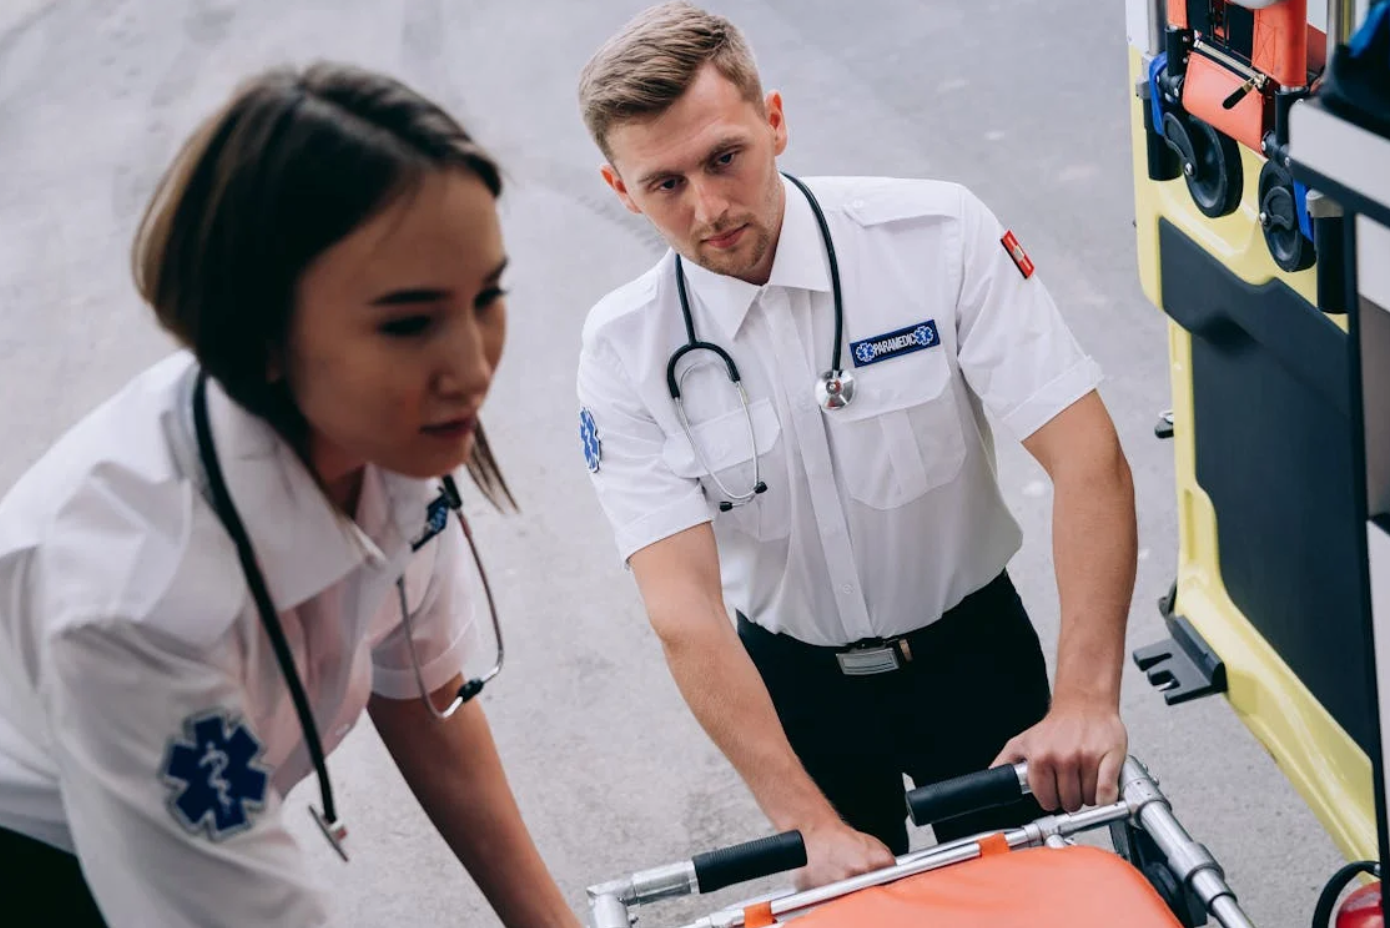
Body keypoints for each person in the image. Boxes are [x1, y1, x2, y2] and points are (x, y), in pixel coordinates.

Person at [573, 1, 1138, 890]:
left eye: (725, 157)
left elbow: (1086, 457)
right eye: (665, 184)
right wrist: (805, 821)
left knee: (1028, 903)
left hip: (973, 663)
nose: (709, 207)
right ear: (620, 190)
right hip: (796, 692)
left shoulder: (936, 237)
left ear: (775, 121)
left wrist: (1085, 698)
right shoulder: (623, 350)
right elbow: (682, 609)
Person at [0, 63, 579, 927]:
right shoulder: (131, 598)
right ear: (260, 333)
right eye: (409, 322)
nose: (472, 368)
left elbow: (422, 698)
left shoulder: (390, 439)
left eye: (486, 296)